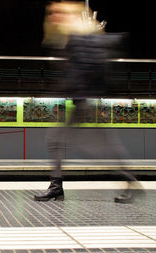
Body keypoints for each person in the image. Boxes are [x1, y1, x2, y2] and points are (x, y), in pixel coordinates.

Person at [34, 1, 144, 204]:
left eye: (57, 12)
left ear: (69, 14)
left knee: (100, 147)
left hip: (83, 100)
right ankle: (56, 186)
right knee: (62, 139)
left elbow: (86, 69)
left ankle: (129, 181)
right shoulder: (75, 36)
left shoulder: (80, 37)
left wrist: (72, 90)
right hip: (82, 99)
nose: (53, 16)